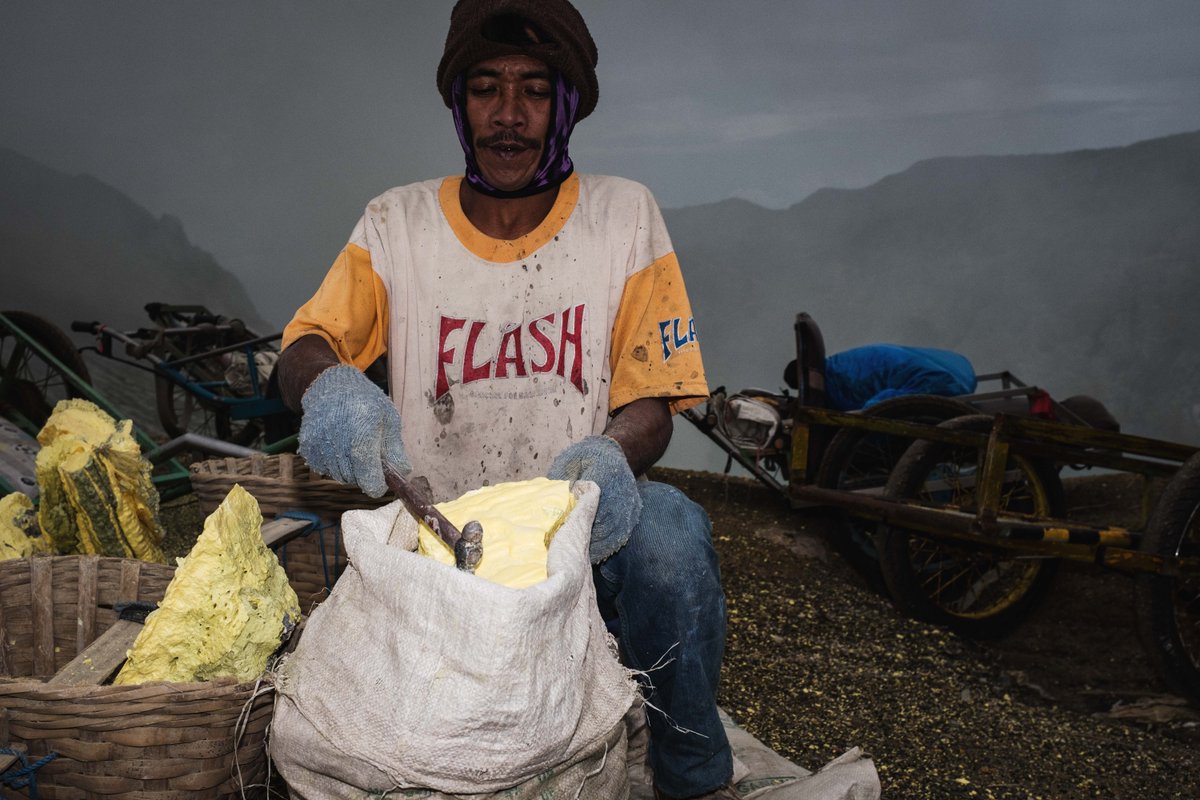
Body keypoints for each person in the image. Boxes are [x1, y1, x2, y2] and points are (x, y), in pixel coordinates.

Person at [274, 1, 735, 797]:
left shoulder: (624, 217)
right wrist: (333, 389)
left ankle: (692, 774)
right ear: (460, 104)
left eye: (535, 90)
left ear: (567, 104)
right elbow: (305, 344)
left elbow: (654, 396)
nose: (509, 115)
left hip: (575, 544)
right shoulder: (396, 224)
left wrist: (611, 453)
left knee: (670, 537)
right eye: (486, 88)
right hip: (442, 551)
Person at [786, 343, 977, 410]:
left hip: (929, 379)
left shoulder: (838, 377)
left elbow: (853, 406)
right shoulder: (836, 365)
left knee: (873, 413)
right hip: (931, 372)